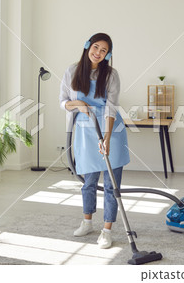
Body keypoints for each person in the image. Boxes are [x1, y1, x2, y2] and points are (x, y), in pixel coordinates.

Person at [59, 33, 130, 249]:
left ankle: (106, 230)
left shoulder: (110, 74)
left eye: (104, 51)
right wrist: (78, 103)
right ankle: (87, 221)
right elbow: (63, 102)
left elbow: (111, 106)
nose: (98, 53)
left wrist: (107, 138)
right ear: (87, 45)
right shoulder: (72, 71)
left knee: (111, 185)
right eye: (96, 47)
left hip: (111, 130)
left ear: (108, 54)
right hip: (84, 130)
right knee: (88, 182)